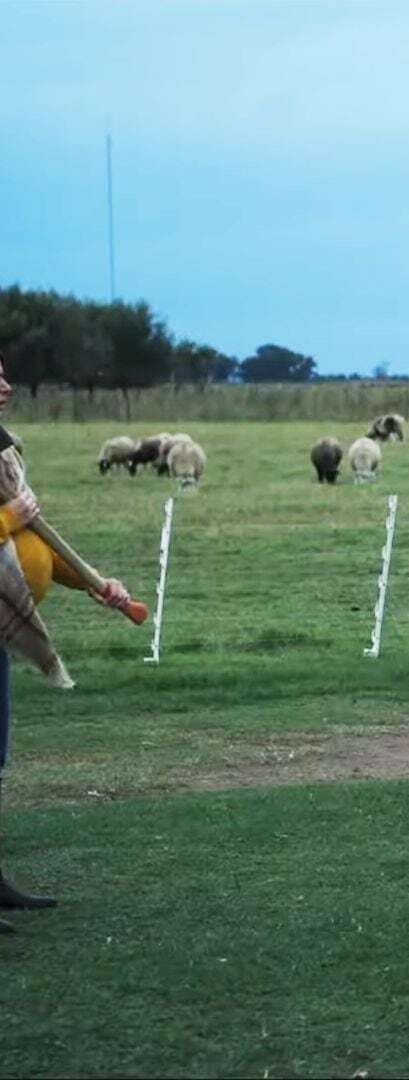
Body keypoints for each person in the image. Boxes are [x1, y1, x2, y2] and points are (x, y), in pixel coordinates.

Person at [0, 351, 131, 933]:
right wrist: (7, 519)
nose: (6, 385)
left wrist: (95, 585)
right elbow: (15, 525)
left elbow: (41, 542)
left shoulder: (5, 455)